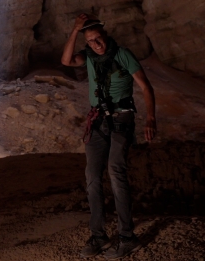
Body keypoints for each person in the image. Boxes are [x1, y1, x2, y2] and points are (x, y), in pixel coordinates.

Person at [61, 13, 157, 259]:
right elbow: (66, 60)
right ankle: (99, 236)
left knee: (115, 170)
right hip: (98, 121)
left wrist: (150, 118)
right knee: (92, 176)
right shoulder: (89, 57)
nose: (96, 44)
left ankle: (127, 237)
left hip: (121, 118)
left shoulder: (122, 54)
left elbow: (145, 86)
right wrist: (75, 31)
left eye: (98, 38)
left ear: (106, 36)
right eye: (90, 40)